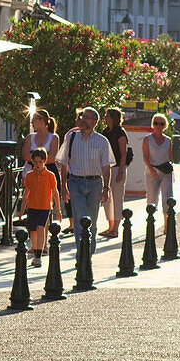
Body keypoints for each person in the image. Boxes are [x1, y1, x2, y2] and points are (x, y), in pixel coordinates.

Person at [57, 107, 114, 257]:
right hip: (76, 183)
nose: (83, 119)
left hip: (95, 183)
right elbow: (64, 163)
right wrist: (63, 186)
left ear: (95, 122)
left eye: (88, 117)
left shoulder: (102, 141)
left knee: (92, 221)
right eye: (83, 116)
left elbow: (106, 166)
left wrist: (106, 188)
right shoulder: (71, 137)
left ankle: (89, 253)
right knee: (79, 220)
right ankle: (81, 254)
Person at [19, 148, 62, 266]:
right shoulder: (29, 175)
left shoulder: (50, 175)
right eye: (36, 162)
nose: (38, 164)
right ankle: (35, 248)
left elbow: (55, 192)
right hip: (32, 206)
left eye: (40, 162)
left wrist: (58, 209)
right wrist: (22, 209)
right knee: (32, 230)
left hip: (44, 206)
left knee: (40, 228)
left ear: (45, 161)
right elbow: (26, 193)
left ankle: (39, 254)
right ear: (32, 162)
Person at [101, 107, 130, 238]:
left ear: (113, 118)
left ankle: (116, 228)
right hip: (107, 167)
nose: (105, 118)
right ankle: (110, 226)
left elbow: (123, 154)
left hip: (118, 167)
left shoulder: (120, 132)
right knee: (107, 199)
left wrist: (121, 171)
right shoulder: (105, 132)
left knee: (118, 198)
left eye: (108, 116)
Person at [142, 112, 174, 221]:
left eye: (161, 123)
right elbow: (145, 157)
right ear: (153, 124)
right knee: (151, 198)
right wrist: (151, 169)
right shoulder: (147, 139)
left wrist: (170, 169)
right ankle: (150, 221)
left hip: (166, 172)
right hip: (152, 171)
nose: (158, 126)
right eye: (156, 123)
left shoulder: (168, 140)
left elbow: (170, 157)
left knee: (167, 197)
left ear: (165, 125)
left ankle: (167, 223)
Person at [21, 110, 60, 178]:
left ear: (41, 120)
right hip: (29, 173)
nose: (31, 122)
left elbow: (52, 158)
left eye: (34, 120)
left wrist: (33, 157)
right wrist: (43, 157)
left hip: (47, 174)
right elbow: (25, 156)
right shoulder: (29, 137)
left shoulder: (54, 137)